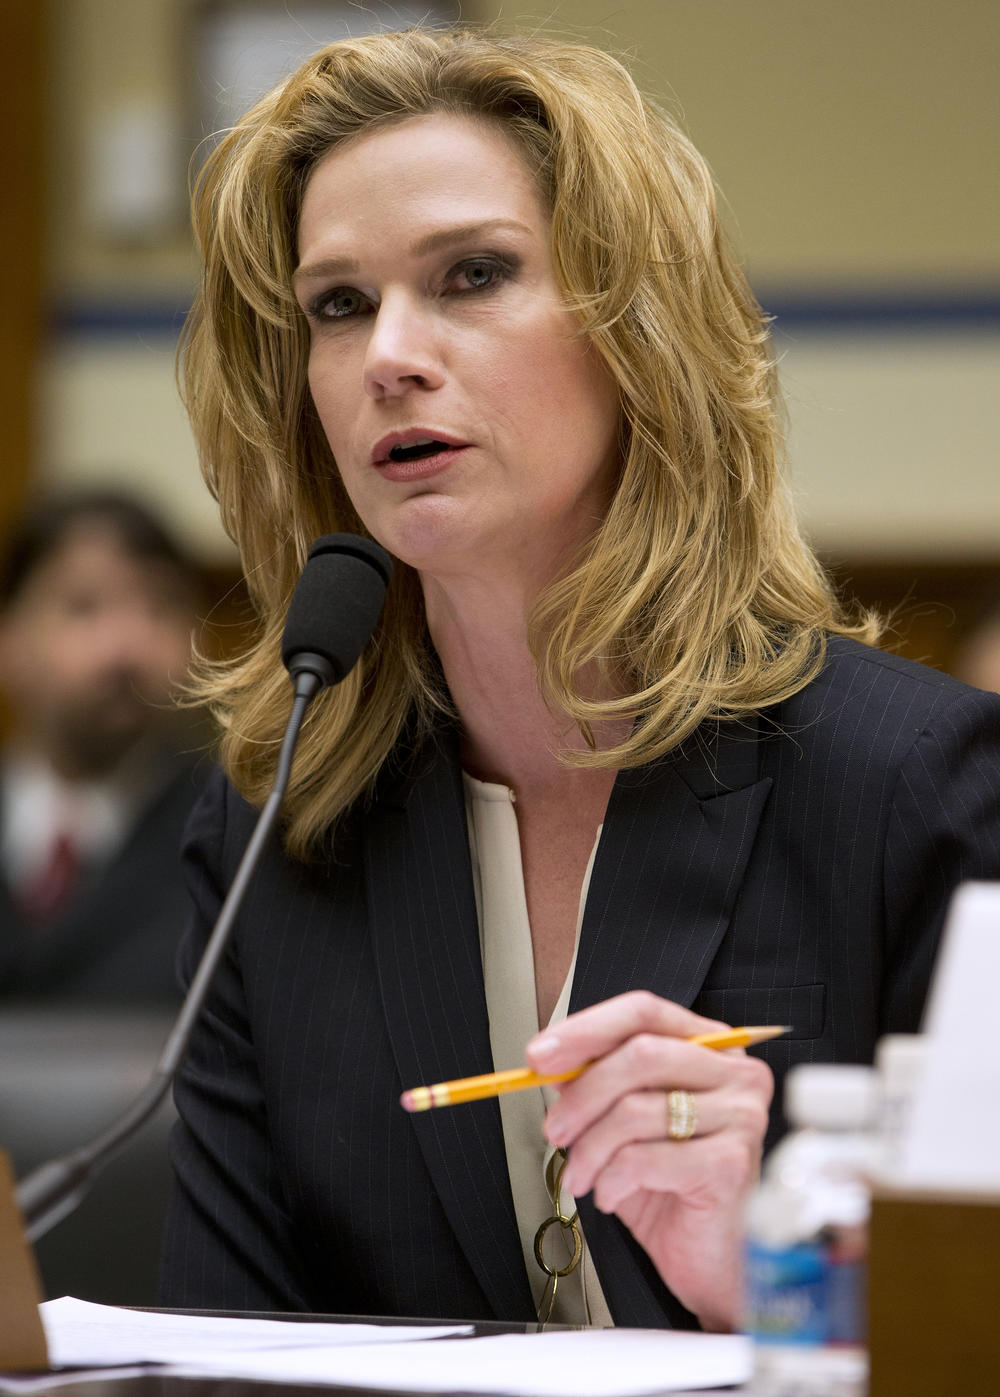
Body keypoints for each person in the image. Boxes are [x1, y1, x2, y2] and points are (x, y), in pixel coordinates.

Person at [159, 28, 1000, 1331]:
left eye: (472, 275)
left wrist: (761, 1284)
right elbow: (221, 1363)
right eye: (338, 304)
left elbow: (970, 1363)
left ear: (636, 331)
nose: (389, 352)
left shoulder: (919, 790)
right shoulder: (276, 819)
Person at [0, 490, 207, 1003]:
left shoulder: (236, 833)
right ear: (10, 640)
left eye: (160, 607)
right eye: (83, 607)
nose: (126, 647)